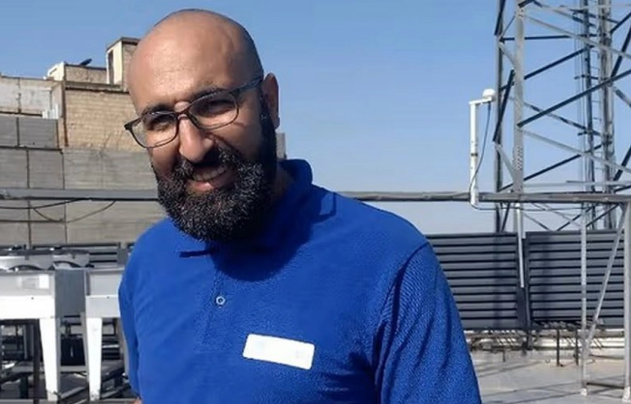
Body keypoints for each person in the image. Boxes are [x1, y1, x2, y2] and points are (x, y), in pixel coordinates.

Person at [118, 8, 482, 404]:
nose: (192, 147)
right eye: (160, 120)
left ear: (269, 102)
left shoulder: (387, 260)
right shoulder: (149, 260)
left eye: (214, 105)